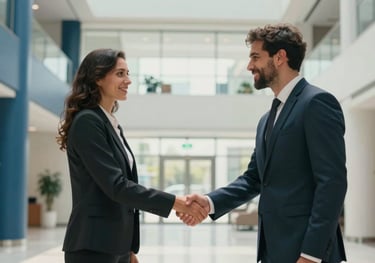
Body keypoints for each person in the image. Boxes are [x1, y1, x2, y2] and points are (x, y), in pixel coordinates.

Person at [180, 23, 347, 263]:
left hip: (307, 252)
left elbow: (332, 183)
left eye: (256, 57)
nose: (249, 66)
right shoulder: (266, 120)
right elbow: (254, 179)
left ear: (280, 57)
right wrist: (209, 201)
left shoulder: (317, 103)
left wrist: (311, 254)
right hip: (273, 250)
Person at [56, 48, 207, 263]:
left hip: (114, 246)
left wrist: (126, 248)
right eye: (120, 74)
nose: (128, 80)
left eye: (128, 74)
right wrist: (178, 203)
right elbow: (116, 186)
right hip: (93, 247)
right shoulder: (88, 121)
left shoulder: (109, 122)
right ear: (97, 78)